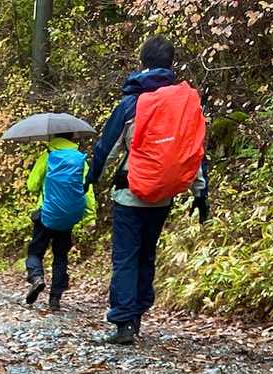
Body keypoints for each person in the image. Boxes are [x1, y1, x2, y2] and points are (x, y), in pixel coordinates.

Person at [87, 35, 209, 345]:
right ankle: (138, 315)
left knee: (126, 257)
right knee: (146, 255)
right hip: (163, 197)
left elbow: (107, 148)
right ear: (171, 64)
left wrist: (92, 177)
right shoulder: (185, 105)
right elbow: (193, 151)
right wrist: (201, 194)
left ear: (142, 63)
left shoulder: (132, 104)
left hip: (131, 193)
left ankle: (123, 323)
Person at [23, 134, 96, 312]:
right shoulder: (80, 160)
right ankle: (55, 299)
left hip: (46, 213)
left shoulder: (47, 156)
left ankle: (37, 278)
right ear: (72, 137)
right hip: (68, 216)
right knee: (61, 256)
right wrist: (90, 216)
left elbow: (32, 185)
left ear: (54, 137)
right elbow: (87, 191)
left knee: (35, 252)